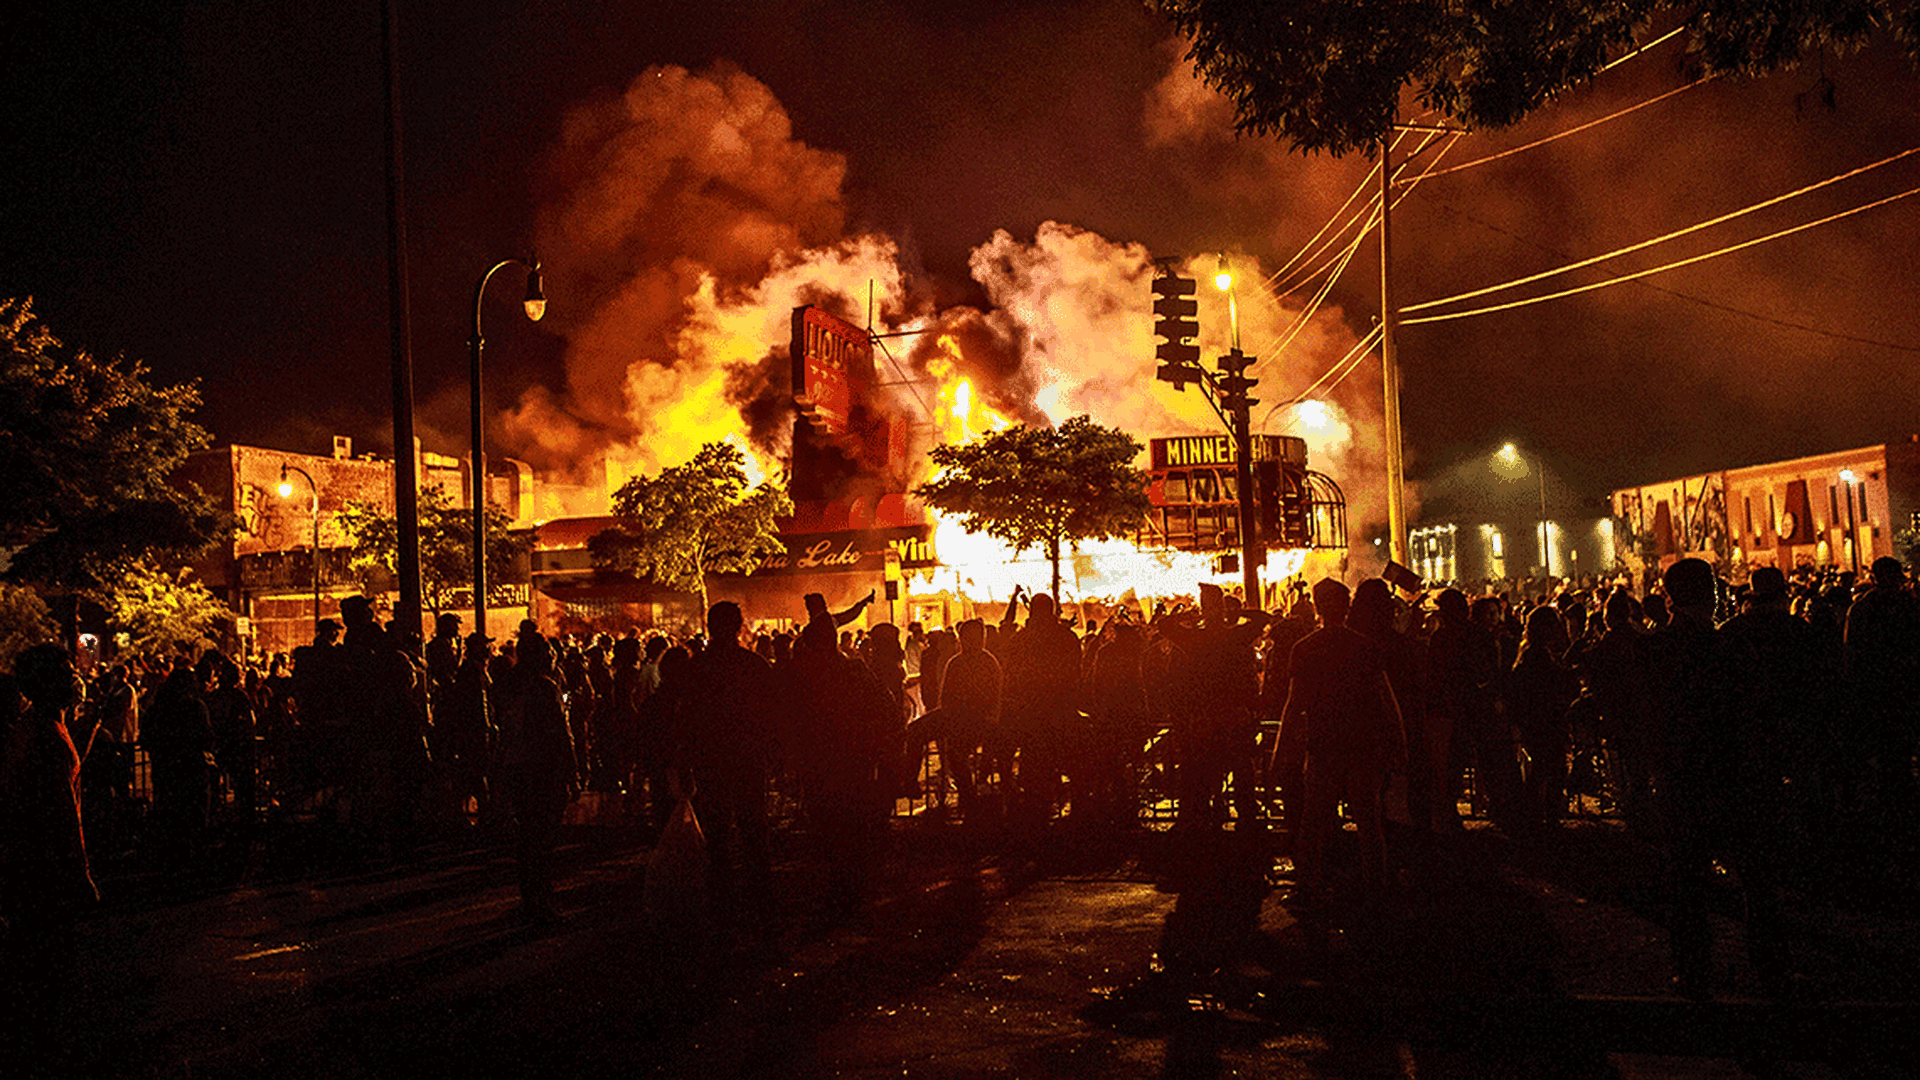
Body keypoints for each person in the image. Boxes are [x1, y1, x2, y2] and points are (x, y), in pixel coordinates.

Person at [1277, 578, 1403, 903]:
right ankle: (1376, 887)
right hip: (1364, 745)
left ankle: (1309, 886)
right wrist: (1398, 742)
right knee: (1368, 821)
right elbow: (1386, 700)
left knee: (1314, 822)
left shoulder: (1305, 648)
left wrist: (1281, 749)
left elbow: (1295, 704)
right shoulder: (1366, 647)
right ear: (1346, 607)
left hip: (1324, 747)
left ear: (1317, 607)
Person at [494, 633, 577, 923]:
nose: (554, 655)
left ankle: (531, 898)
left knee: (528, 837)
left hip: (516, 766)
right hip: (542, 770)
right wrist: (572, 771)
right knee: (543, 839)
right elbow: (560, 735)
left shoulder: (508, 684)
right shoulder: (544, 686)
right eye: (549, 651)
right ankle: (540, 901)